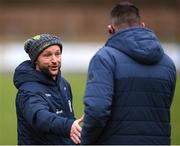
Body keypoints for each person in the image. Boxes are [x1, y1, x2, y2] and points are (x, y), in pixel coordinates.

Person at [81, 2, 176, 145]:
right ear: (143, 25)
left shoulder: (104, 58)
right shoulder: (168, 63)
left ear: (110, 29)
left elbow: (97, 110)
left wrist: (85, 140)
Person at [13, 34, 82, 145]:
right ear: (36, 60)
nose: (54, 60)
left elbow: (69, 120)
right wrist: (67, 126)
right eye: (47, 55)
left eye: (57, 54)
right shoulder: (28, 92)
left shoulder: (64, 84)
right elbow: (40, 118)